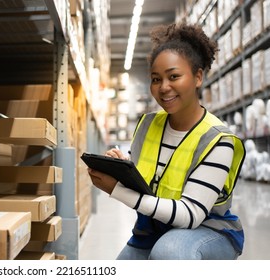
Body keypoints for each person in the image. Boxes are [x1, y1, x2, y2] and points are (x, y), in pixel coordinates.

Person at [87, 22, 246, 260]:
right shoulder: (148, 125)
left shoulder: (218, 139)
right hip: (154, 229)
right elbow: (153, 176)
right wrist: (124, 166)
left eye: (174, 76)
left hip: (207, 231)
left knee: (169, 252)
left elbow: (190, 215)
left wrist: (115, 190)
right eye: (155, 79)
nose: (164, 88)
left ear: (198, 77)